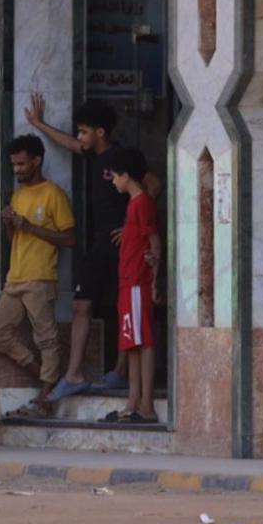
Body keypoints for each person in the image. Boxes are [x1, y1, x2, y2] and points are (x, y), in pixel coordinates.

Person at [25, 94, 138, 400]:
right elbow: (70, 144)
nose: (79, 137)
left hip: (123, 245)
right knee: (80, 305)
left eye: (84, 131)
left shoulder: (124, 157)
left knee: (123, 308)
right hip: (98, 244)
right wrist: (38, 124)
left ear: (100, 132)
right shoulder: (93, 155)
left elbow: (152, 186)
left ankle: (121, 371)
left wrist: (130, 226)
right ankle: (74, 373)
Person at [0, 135, 76, 418]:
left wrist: (29, 226)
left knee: (47, 339)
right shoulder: (19, 195)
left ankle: (46, 398)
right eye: (14, 165)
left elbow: (70, 238)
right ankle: (45, 379)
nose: (17, 170)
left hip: (40, 277)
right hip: (15, 277)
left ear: (37, 161)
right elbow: (16, 238)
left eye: (22, 164)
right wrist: (10, 224)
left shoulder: (54, 194)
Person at [104, 148, 160, 424]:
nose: (113, 180)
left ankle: (146, 405)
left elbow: (154, 241)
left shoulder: (141, 204)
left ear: (126, 176)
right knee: (132, 343)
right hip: (129, 282)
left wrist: (155, 279)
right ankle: (134, 401)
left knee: (143, 342)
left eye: (114, 175)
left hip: (138, 282)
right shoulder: (134, 204)